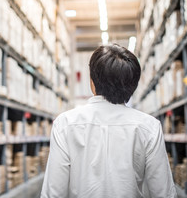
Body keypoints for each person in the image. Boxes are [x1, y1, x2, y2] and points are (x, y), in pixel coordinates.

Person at [40, 45, 177, 198]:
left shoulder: (65, 124)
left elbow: (53, 193)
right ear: (133, 86)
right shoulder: (149, 127)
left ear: (92, 82)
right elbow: (163, 192)